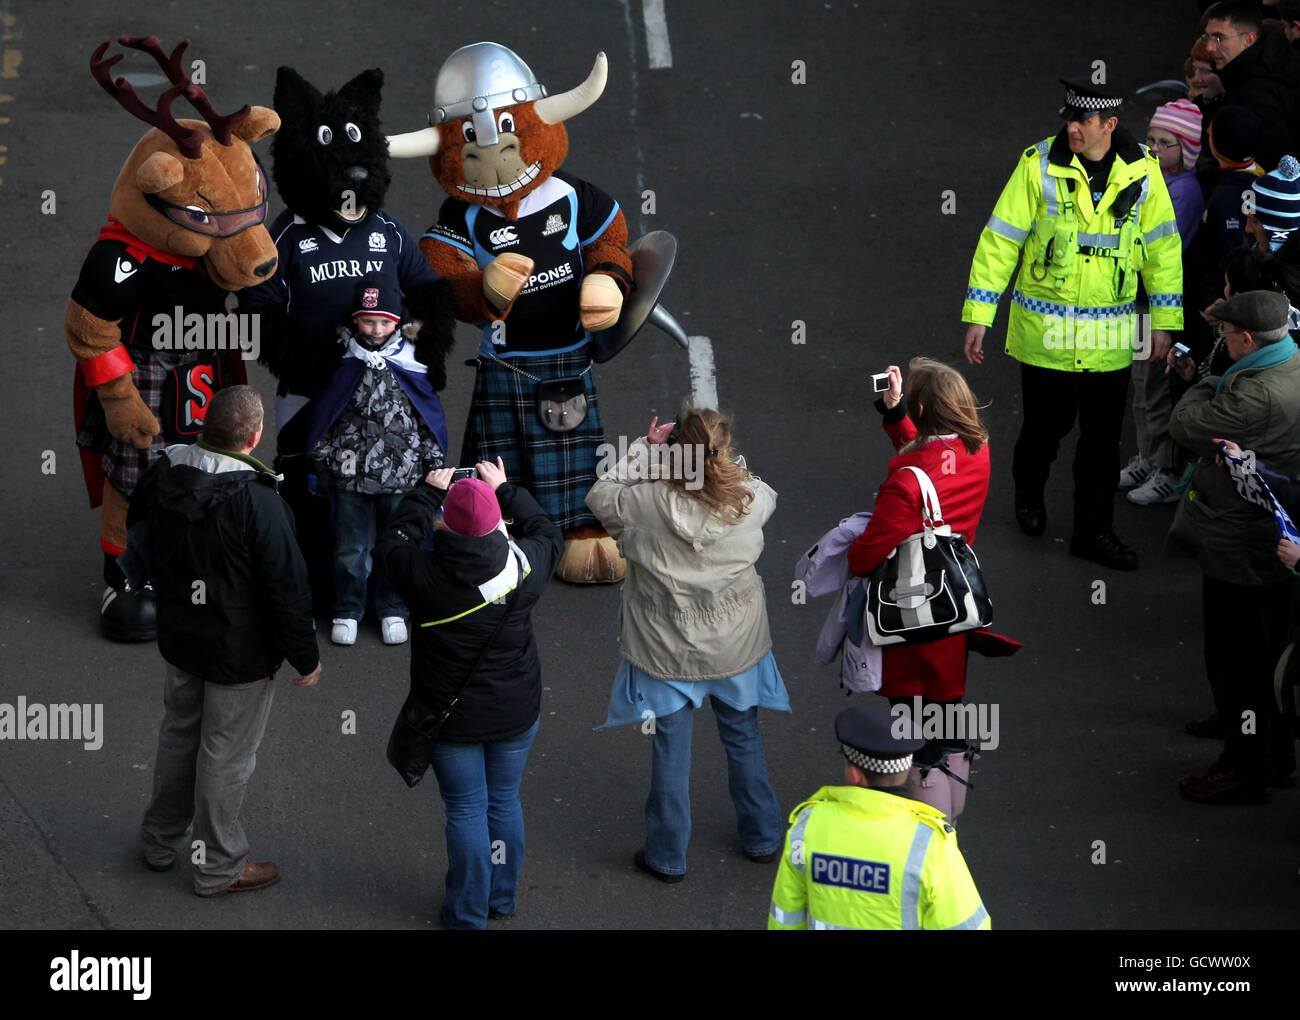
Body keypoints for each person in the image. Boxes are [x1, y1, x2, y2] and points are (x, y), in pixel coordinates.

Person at [962, 76, 1183, 571]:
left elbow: (1163, 249)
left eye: (1082, 120)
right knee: (1045, 430)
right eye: (1068, 117)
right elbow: (1001, 240)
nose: (1072, 127)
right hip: (1048, 339)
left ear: (1109, 124)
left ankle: (1094, 532)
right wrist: (981, 313)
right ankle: (1029, 495)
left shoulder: (1143, 172)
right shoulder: (1037, 164)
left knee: (1102, 445)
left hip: (1109, 340)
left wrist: (1165, 322)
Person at [586, 409, 790, 881]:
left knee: (670, 748)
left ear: (676, 452)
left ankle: (667, 854)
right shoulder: (748, 499)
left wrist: (644, 450)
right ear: (723, 452)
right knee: (742, 737)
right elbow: (764, 491)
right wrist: (724, 462)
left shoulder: (644, 504)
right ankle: (761, 836)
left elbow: (600, 496)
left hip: (665, 647)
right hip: (736, 642)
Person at [133, 385, 321, 896]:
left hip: (180, 638)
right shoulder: (259, 502)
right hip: (238, 652)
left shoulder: (166, 474)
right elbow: (288, 587)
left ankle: (159, 840)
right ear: (255, 437)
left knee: (179, 737)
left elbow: (138, 535)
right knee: (225, 755)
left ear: (204, 426)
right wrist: (305, 655)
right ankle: (218, 865)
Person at [375, 460, 563, 929]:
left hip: (450, 717)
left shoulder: (421, 573)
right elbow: (547, 532)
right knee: (504, 800)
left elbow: (389, 544)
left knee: (465, 808)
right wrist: (507, 489)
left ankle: (466, 912)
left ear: (448, 524)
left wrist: (425, 494)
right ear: (496, 522)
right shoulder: (526, 566)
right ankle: (501, 898)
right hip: (516, 711)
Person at [1165, 290, 1300, 802]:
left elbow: (1185, 424)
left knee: (1237, 663)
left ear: (1247, 339)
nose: (1219, 340)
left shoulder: (1255, 395)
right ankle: (1275, 754)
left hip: (1240, 540)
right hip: (1273, 539)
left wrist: (1205, 378)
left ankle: (1243, 768)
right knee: (1268, 658)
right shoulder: (1291, 361)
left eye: (1225, 335)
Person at [845, 359, 995, 818]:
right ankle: (951, 822)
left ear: (925, 408)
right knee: (948, 719)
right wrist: (896, 415)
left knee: (914, 730)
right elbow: (932, 465)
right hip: (955, 607)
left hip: (911, 621)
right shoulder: (977, 450)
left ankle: (931, 830)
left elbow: (865, 556)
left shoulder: (907, 484)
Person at [304, 275, 448, 647]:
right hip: (350, 475)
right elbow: (325, 414)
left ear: (398, 321)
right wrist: (321, 460)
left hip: (402, 474)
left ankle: (393, 609)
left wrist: (434, 463)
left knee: (397, 544)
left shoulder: (413, 359)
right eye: (369, 321)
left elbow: (426, 415)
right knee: (348, 549)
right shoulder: (340, 359)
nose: (377, 329)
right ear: (355, 320)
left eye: (385, 321)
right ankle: (347, 610)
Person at [766, 704, 990, 930]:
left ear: (855, 775)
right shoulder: (929, 844)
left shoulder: (806, 828)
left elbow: (786, 916)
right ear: (905, 769)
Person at [1122, 100, 1206, 506]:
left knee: (1158, 387)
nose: (1153, 148)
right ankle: (1147, 456)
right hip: (1140, 304)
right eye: (1151, 139)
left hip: (1157, 308)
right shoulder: (1155, 178)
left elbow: (1165, 251)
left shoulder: (1185, 192)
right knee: (1142, 386)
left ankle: (1167, 469)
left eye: (1166, 143)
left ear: (1186, 149)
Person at [1200, 1, 1300, 171]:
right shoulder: (1270, 66)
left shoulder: (1257, 91)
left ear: (1248, 39)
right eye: (1206, 38)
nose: (1209, 47)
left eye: (1219, 38)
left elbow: (1275, 160)